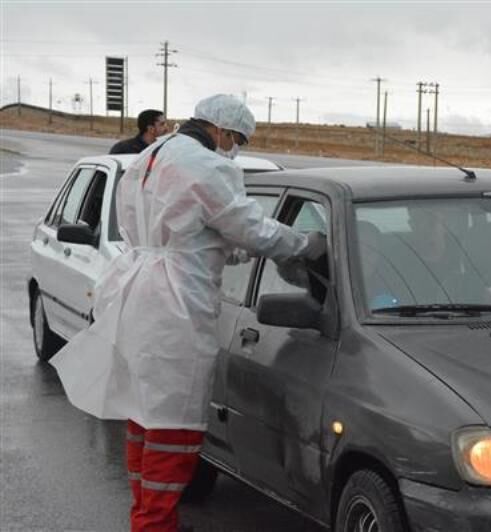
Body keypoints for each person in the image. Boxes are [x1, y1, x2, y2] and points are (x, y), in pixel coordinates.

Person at [51, 94, 326, 532]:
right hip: (174, 304)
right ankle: (154, 525)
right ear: (219, 129)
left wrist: (221, 251)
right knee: (174, 423)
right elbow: (249, 227)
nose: (233, 147)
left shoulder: (150, 155)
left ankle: (148, 516)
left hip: (142, 289)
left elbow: (193, 231)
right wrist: (305, 245)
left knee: (145, 413)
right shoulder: (206, 166)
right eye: (235, 138)